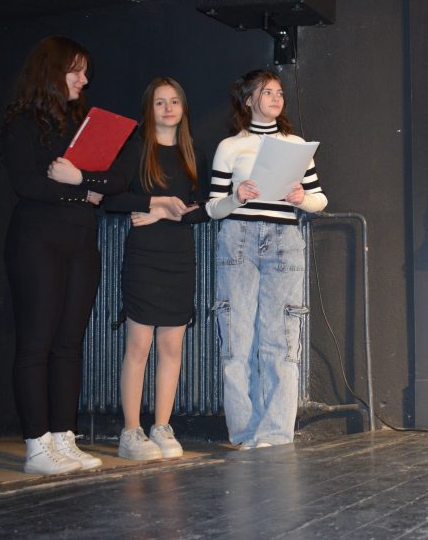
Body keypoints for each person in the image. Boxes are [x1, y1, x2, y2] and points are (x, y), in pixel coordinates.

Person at [1, 36, 127, 474]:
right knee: (35, 344)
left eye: (85, 72)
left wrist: (79, 179)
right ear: (52, 72)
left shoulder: (83, 124)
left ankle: (62, 437)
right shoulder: (22, 122)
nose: (84, 80)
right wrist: (82, 190)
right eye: (76, 70)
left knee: (69, 346)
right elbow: (27, 184)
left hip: (80, 243)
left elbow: (117, 181)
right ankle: (37, 445)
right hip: (37, 241)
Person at [206, 70, 327, 448]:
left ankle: (275, 433)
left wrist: (301, 199)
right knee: (237, 339)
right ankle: (244, 431)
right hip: (238, 240)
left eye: (279, 92)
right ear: (248, 100)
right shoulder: (230, 147)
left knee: (281, 340)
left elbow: (319, 199)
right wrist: (236, 197)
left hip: (284, 241)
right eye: (267, 92)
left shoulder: (295, 145)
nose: (276, 98)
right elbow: (212, 207)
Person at [103, 77, 209, 459]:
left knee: (171, 346)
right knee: (139, 345)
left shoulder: (193, 153)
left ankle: (162, 426)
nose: (168, 108)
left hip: (179, 257)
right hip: (144, 257)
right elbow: (110, 198)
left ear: (183, 108)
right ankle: (131, 431)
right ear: (149, 109)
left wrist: (167, 213)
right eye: (160, 102)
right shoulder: (136, 149)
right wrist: (155, 203)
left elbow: (203, 209)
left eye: (174, 101)